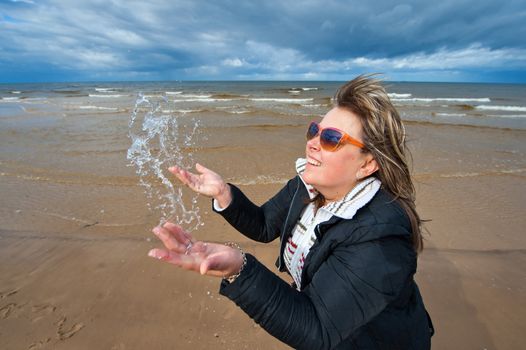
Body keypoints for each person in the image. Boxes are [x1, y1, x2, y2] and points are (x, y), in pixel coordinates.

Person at [148, 75, 434, 349]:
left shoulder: (379, 236)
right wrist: (225, 194)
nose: (312, 143)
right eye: (315, 130)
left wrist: (240, 269)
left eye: (332, 138)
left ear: (367, 165)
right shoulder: (307, 186)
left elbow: (318, 330)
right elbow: (263, 225)